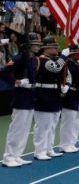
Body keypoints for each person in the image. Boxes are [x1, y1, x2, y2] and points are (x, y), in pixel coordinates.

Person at [1, 34, 42, 167]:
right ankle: (8, 157)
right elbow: (3, 72)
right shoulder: (18, 58)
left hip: (30, 95)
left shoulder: (32, 60)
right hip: (21, 95)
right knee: (17, 128)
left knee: (25, 128)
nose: (38, 46)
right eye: (35, 43)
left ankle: (17, 155)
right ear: (28, 45)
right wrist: (16, 81)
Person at [33, 36, 65, 160]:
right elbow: (56, 68)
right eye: (54, 46)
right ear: (46, 48)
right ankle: (39, 151)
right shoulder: (43, 60)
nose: (56, 49)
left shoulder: (53, 59)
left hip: (53, 93)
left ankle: (48, 148)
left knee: (52, 124)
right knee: (43, 125)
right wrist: (63, 57)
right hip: (43, 94)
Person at [59, 45, 79, 153]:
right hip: (70, 93)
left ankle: (71, 143)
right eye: (78, 53)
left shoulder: (78, 63)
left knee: (76, 121)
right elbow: (74, 73)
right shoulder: (67, 64)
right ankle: (64, 144)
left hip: (78, 93)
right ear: (73, 54)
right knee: (68, 121)